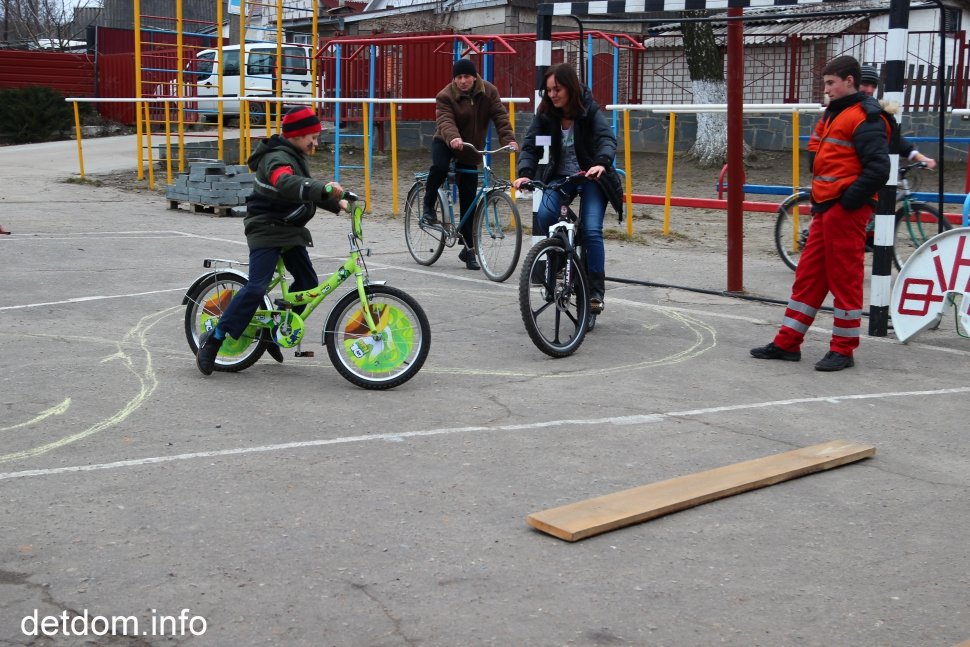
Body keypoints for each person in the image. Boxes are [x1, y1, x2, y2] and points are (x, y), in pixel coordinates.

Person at [751, 55, 892, 371]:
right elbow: (820, 156)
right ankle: (788, 342)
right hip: (827, 206)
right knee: (809, 276)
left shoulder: (866, 117)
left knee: (845, 279)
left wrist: (849, 200)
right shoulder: (836, 112)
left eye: (830, 83)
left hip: (844, 209)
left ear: (849, 81)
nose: (826, 89)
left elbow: (879, 169)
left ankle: (843, 350)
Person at [196, 106, 349, 375]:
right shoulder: (276, 159)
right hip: (266, 229)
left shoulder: (294, 154)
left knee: (308, 282)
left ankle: (276, 329)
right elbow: (286, 183)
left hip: (289, 229)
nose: (315, 143)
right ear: (297, 135)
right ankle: (215, 338)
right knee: (257, 287)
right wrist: (323, 188)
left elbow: (303, 191)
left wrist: (338, 203)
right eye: (312, 137)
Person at [512, 63, 623, 315]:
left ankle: (595, 292)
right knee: (546, 214)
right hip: (562, 177)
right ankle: (564, 253)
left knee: (592, 230)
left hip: (592, 176)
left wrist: (601, 162)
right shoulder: (546, 114)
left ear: (570, 88)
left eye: (557, 89)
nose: (552, 94)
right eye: (549, 90)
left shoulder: (589, 109)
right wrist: (525, 174)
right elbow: (531, 146)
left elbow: (606, 139)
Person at [423, 58, 518, 270]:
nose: (463, 81)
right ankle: (428, 207)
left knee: (469, 199)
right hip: (446, 142)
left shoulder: (489, 92)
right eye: (459, 77)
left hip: (470, 147)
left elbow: (500, 116)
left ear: (475, 77)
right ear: (454, 79)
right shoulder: (445, 95)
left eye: (467, 76)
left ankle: (468, 250)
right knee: (440, 167)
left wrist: (509, 140)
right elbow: (445, 120)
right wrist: (453, 138)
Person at [858, 63, 936, 169]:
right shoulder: (843, 110)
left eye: (874, 86)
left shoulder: (875, 112)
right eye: (865, 84)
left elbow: (892, 137)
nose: (870, 90)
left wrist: (919, 156)